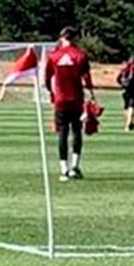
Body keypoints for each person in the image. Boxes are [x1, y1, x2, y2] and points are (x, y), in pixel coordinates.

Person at [42, 28, 94, 181]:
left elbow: (47, 79)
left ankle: (64, 169)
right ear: (75, 39)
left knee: (62, 133)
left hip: (61, 99)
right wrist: (92, 97)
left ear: (61, 37)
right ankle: (75, 167)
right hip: (76, 99)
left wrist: (52, 93)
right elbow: (87, 79)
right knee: (77, 131)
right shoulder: (81, 55)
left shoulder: (53, 56)